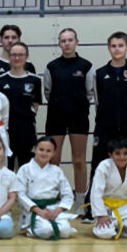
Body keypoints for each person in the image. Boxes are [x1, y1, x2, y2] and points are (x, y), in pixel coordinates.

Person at [82, 31, 127, 221]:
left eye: (120, 45)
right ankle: (91, 209)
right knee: (97, 164)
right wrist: (105, 119)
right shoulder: (100, 73)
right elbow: (98, 101)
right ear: (108, 48)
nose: (117, 49)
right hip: (104, 127)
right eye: (113, 46)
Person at [44, 28, 92, 211]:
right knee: (53, 160)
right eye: (63, 40)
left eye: (70, 40)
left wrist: (77, 106)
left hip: (78, 117)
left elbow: (89, 92)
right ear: (59, 44)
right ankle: (52, 200)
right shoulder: (52, 66)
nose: (67, 43)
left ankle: (80, 202)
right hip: (56, 117)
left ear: (76, 42)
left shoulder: (86, 66)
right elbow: (48, 92)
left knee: (79, 160)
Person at [16, 136, 76, 240]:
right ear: (35, 149)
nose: (44, 153)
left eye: (48, 151)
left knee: (65, 231)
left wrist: (57, 210)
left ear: (54, 153)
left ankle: (44, 225)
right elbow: (20, 194)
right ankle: (30, 228)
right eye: (41, 149)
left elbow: (68, 194)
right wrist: (38, 210)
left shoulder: (56, 171)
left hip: (52, 208)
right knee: (46, 230)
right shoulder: (25, 169)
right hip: (33, 209)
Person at [0, 41, 42, 170]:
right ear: (9, 57)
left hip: (26, 129)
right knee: (7, 166)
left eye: (20, 55)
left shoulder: (35, 80)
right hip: (6, 129)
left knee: (26, 166)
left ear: (26, 56)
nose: (17, 58)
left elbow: (35, 105)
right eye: (13, 55)